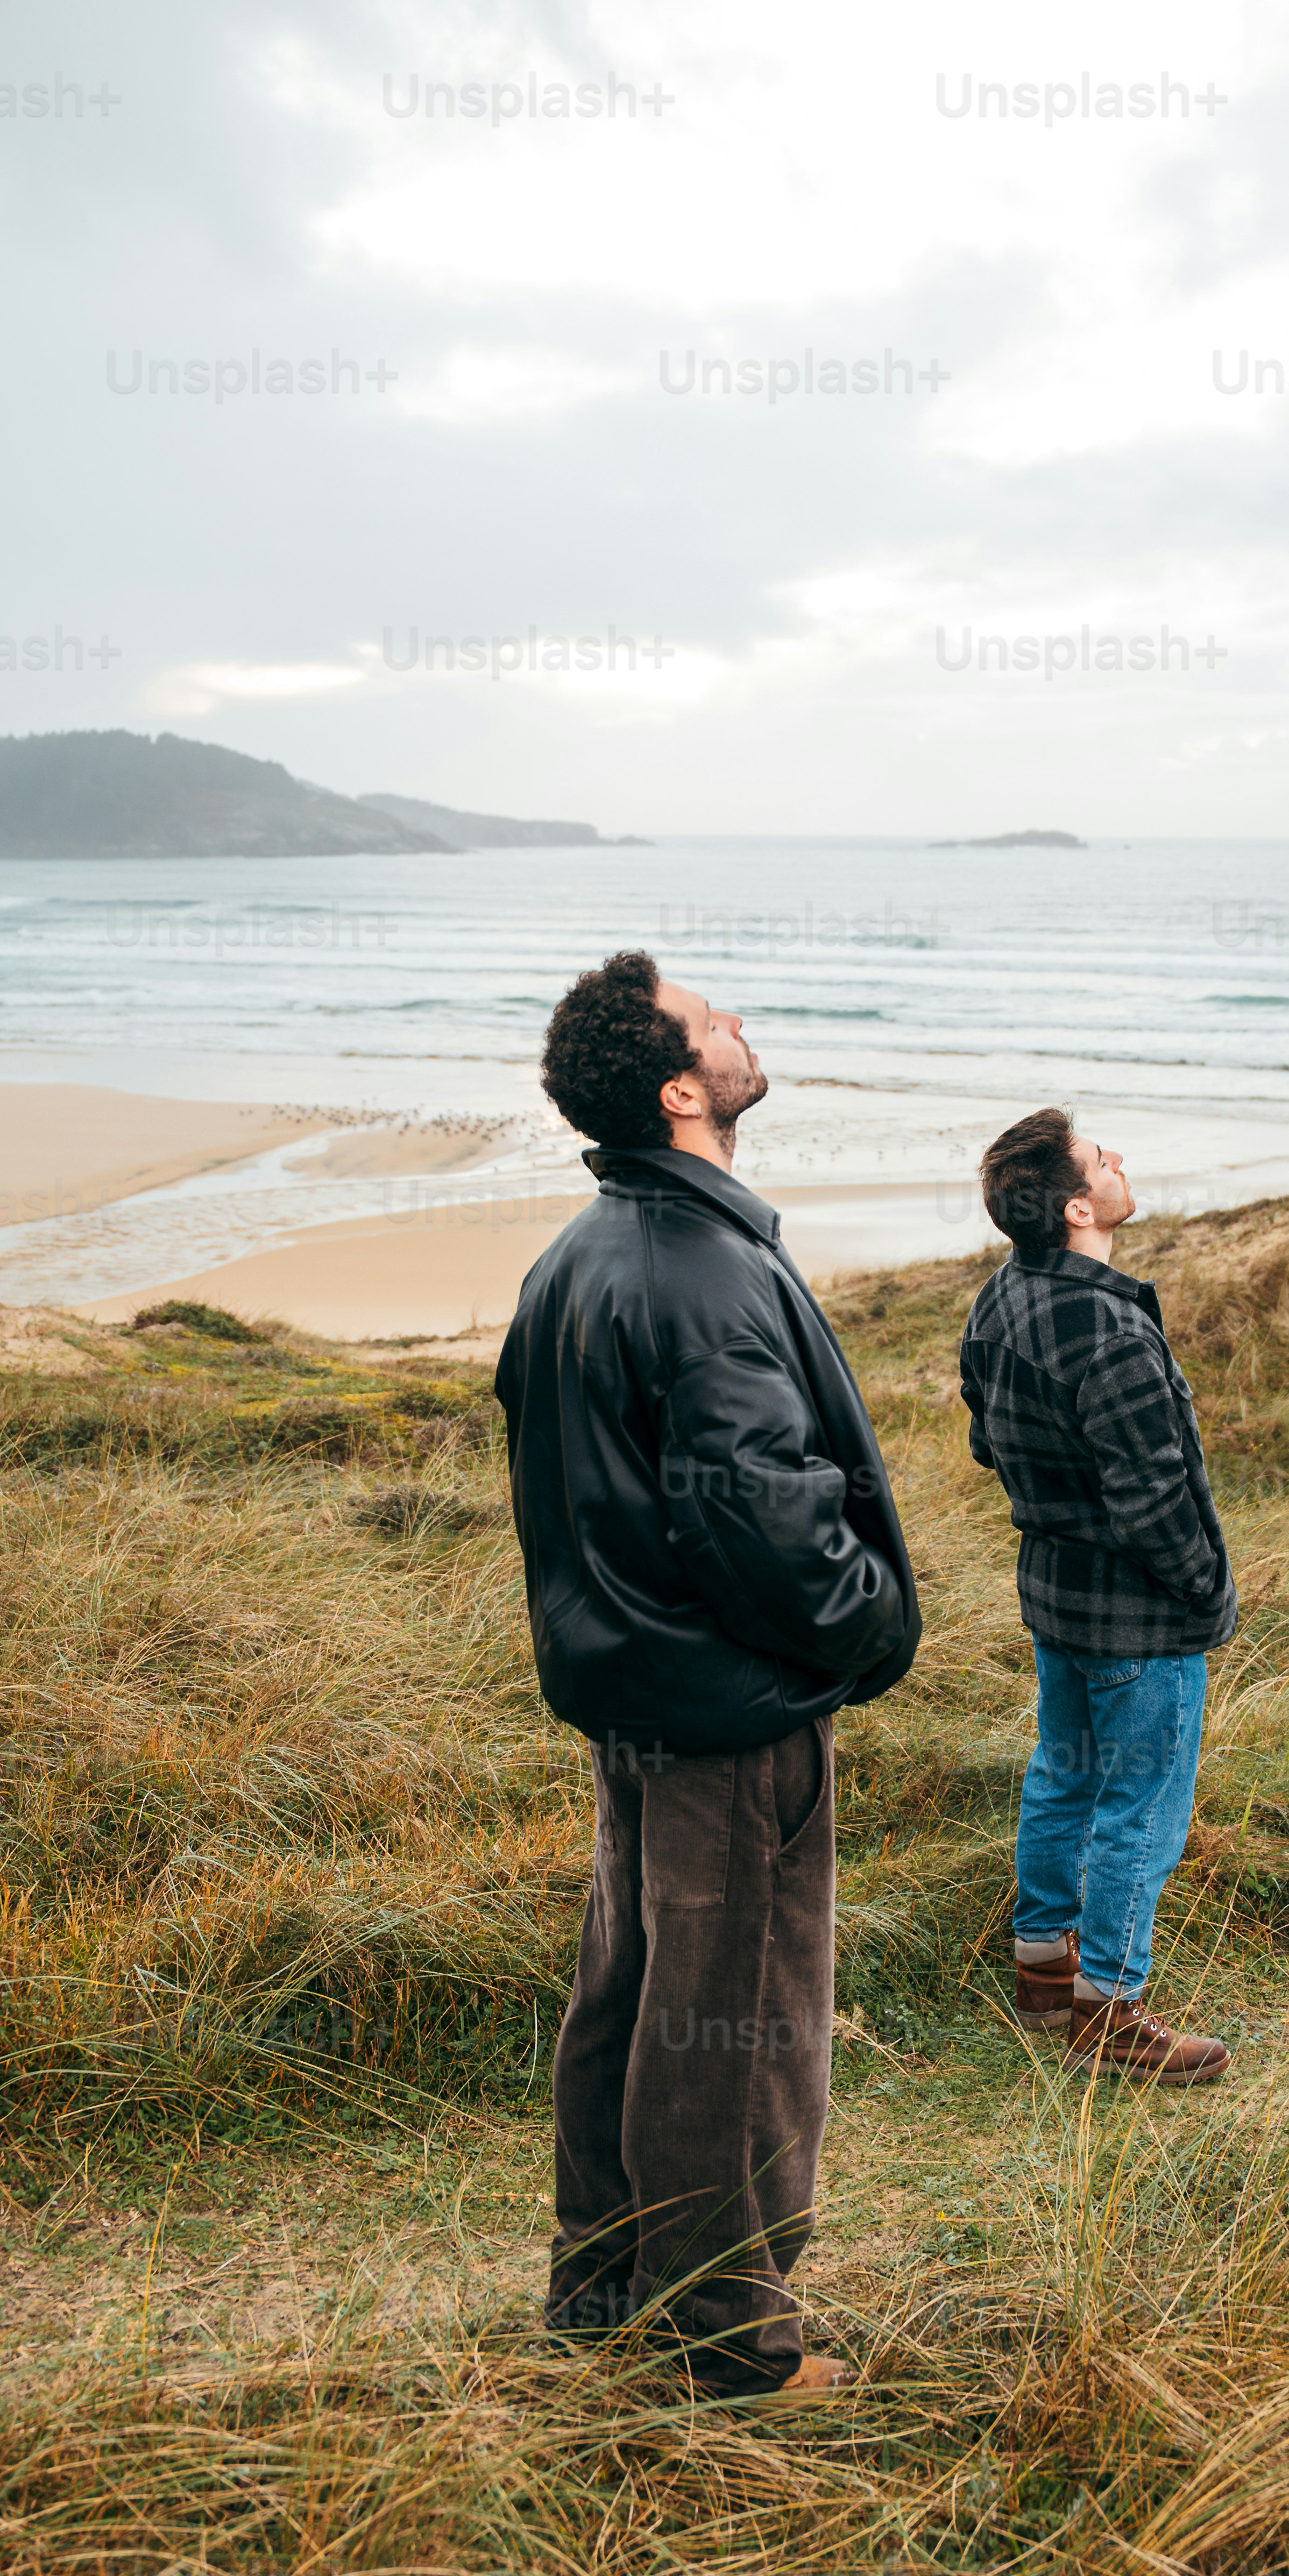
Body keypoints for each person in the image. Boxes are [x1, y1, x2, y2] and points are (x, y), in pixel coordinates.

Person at [497, 950, 919, 2397]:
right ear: (681, 1089)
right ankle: (726, 2341)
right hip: (726, 1708)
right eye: (710, 1018)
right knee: (730, 2026)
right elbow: (764, 1519)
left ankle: (604, 2285)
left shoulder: (590, 1249)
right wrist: (869, 1623)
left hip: (637, 1695)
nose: (738, 1020)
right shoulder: (697, 1267)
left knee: (636, 1991)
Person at [959, 1108, 1235, 2083]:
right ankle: (1110, 2012)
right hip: (1137, 1612)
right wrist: (1204, 1587)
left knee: (1063, 1777)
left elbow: (985, 1439)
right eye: (1101, 1159)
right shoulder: (1109, 1325)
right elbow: (1153, 1495)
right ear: (1080, 1206)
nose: (1119, 1163)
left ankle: (1045, 1973)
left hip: (1054, 1592)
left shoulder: (999, 1298)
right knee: (1142, 1810)